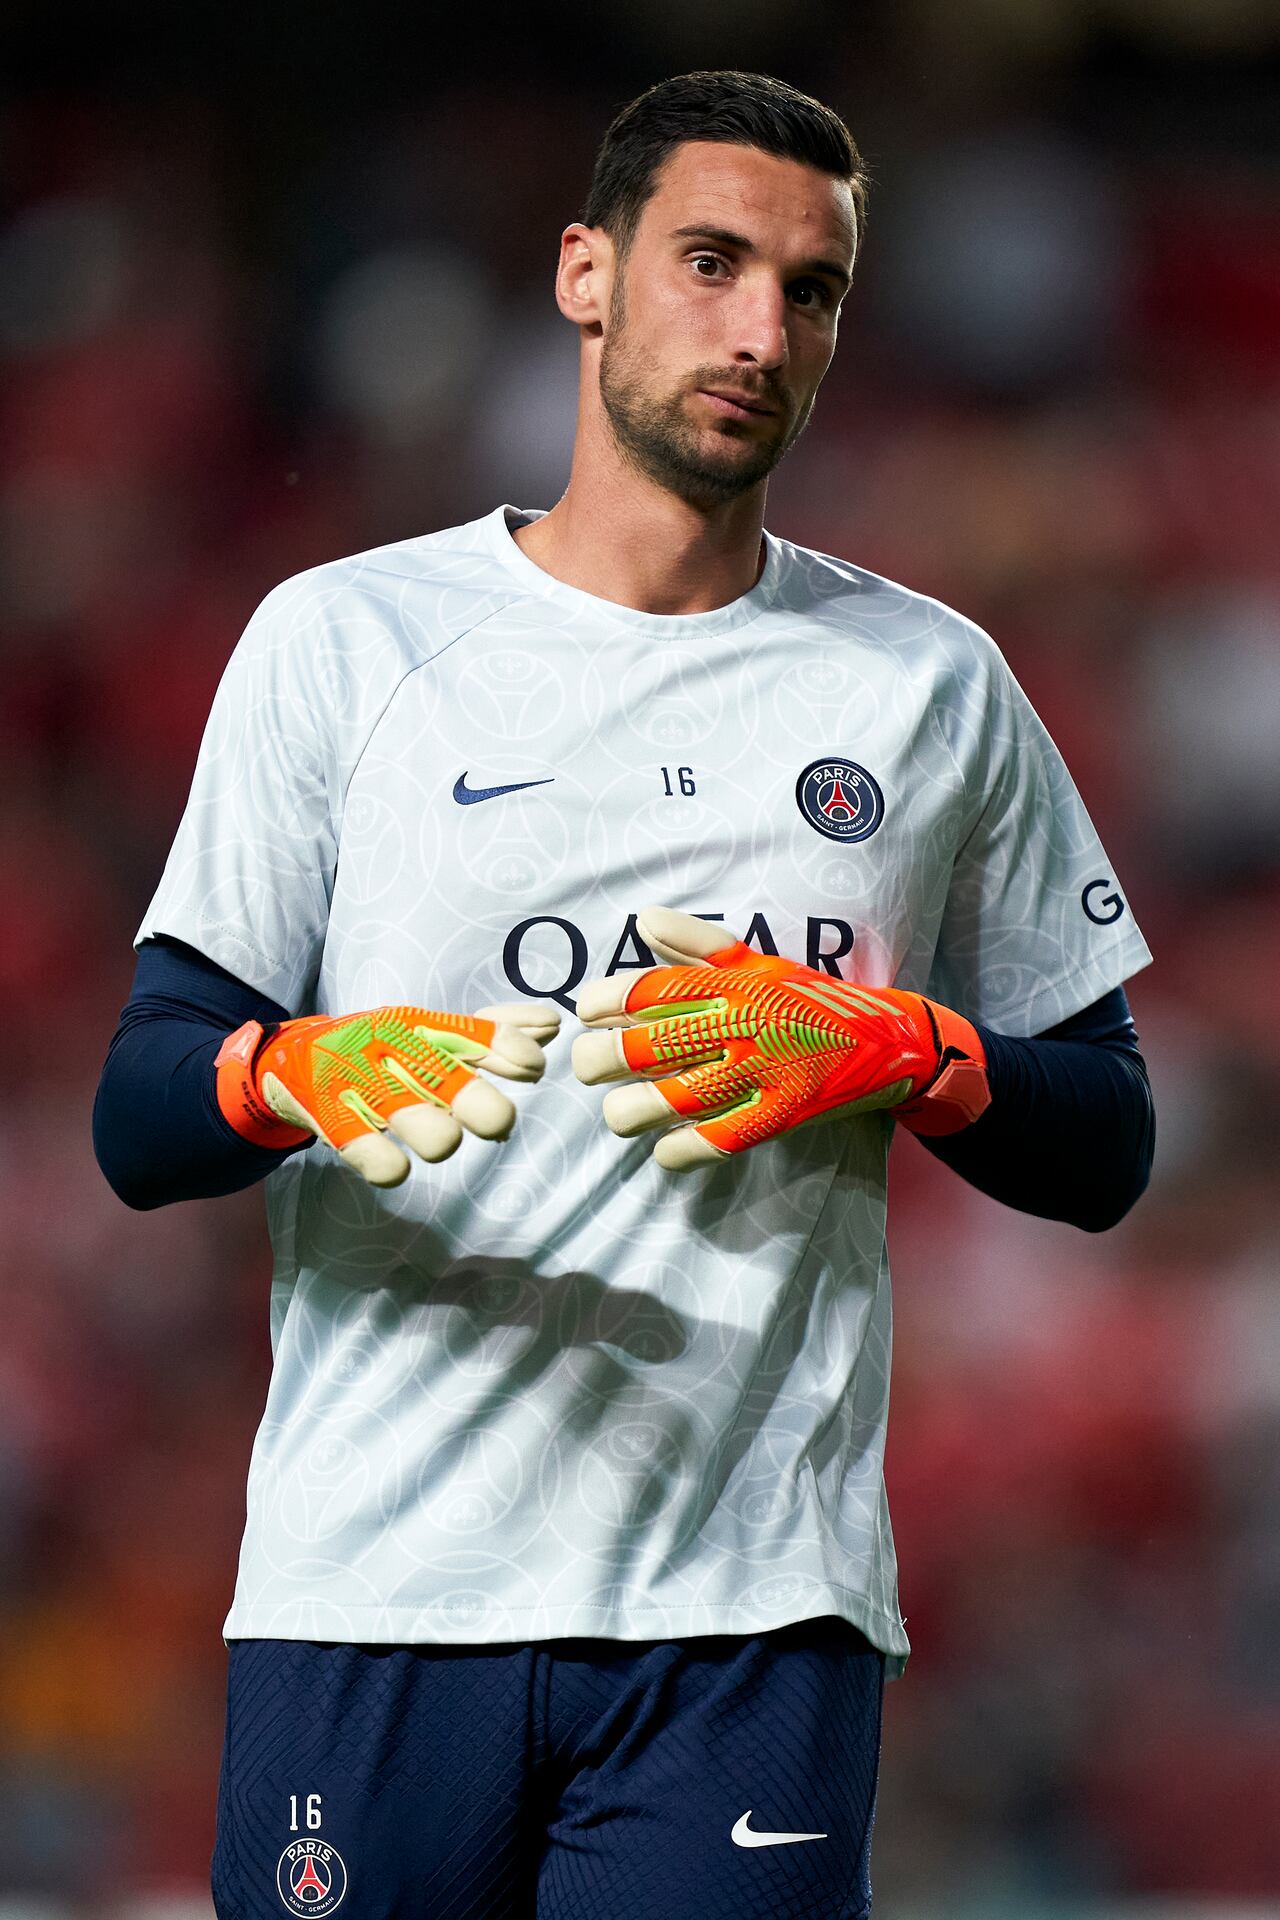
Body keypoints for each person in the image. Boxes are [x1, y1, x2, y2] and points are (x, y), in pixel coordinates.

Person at [94, 69, 1155, 1920]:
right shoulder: (351, 644)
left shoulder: (929, 685)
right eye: (712, 262)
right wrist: (291, 1075)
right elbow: (140, 1110)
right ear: (587, 273)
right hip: (380, 1591)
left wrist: (916, 1053)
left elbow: (1109, 1136)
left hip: (751, 1619)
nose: (761, 330)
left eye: (811, 289)